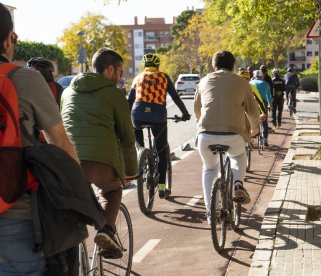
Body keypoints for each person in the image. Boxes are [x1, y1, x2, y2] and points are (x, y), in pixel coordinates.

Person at [0, 3, 80, 274]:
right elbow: (60, 140)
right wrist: (80, 188)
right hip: (16, 217)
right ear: (8, 39)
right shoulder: (26, 79)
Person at [61, 47, 138, 258]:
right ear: (110, 69)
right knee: (112, 191)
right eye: (121, 72)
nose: (121, 77)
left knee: (71, 204)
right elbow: (127, 138)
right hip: (100, 163)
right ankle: (106, 230)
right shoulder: (114, 93)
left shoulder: (67, 92)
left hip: (67, 163)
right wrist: (131, 171)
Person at [194, 51, 260, 224]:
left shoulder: (204, 81)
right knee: (238, 155)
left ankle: (211, 212)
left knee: (209, 169)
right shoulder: (242, 82)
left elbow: (197, 109)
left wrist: (201, 126)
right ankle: (238, 183)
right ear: (234, 66)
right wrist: (254, 130)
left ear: (213, 66)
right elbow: (253, 112)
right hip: (234, 134)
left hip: (206, 135)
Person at [128, 53, 191, 199]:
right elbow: (175, 97)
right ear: (157, 66)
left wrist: (127, 117)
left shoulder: (137, 78)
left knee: (138, 138)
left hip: (137, 116)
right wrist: (185, 114)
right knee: (162, 151)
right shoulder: (163, 77)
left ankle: (141, 156)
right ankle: (162, 187)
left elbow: (130, 100)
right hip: (158, 117)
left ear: (144, 66)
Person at [250, 70, 272, 147]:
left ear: (255, 76)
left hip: (252, 103)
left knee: (250, 119)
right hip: (263, 103)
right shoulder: (266, 84)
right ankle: (265, 140)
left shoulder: (251, 83)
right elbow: (269, 96)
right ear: (262, 76)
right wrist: (270, 104)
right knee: (264, 122)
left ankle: (250, 138)